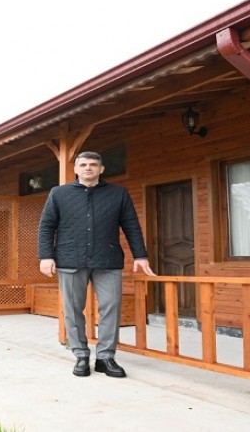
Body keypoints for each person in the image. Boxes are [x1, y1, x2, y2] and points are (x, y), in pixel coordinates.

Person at [38, 151, 156, 378]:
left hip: (107, 260)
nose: (88, 168)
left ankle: (105, 357)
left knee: (111, 307)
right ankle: (81, 355)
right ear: (76, 169)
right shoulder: (59, 194)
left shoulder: (118, 194)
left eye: (93, 164)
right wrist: (46, 256)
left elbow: (131, 225)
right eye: (83, 164)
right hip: (70, 259)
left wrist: (140, 255)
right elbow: (46, 226)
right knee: (73, 309)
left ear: (101, 169)